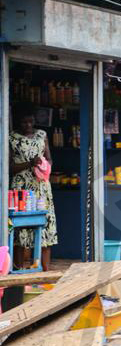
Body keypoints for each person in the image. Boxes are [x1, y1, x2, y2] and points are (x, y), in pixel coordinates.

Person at [9, 104, 55, 271]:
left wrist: (44, 166)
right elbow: (9, 167)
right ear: (18, 123)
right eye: (24, 122)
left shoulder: (42, 135)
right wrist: (30, 163)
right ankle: (20, 268)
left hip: (41, 186)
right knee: (20, 228)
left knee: (45, 226)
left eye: (31, 122)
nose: (28, 125)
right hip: (21, 187)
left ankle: (45, 271)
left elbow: (49, 159)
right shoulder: (11, 138)